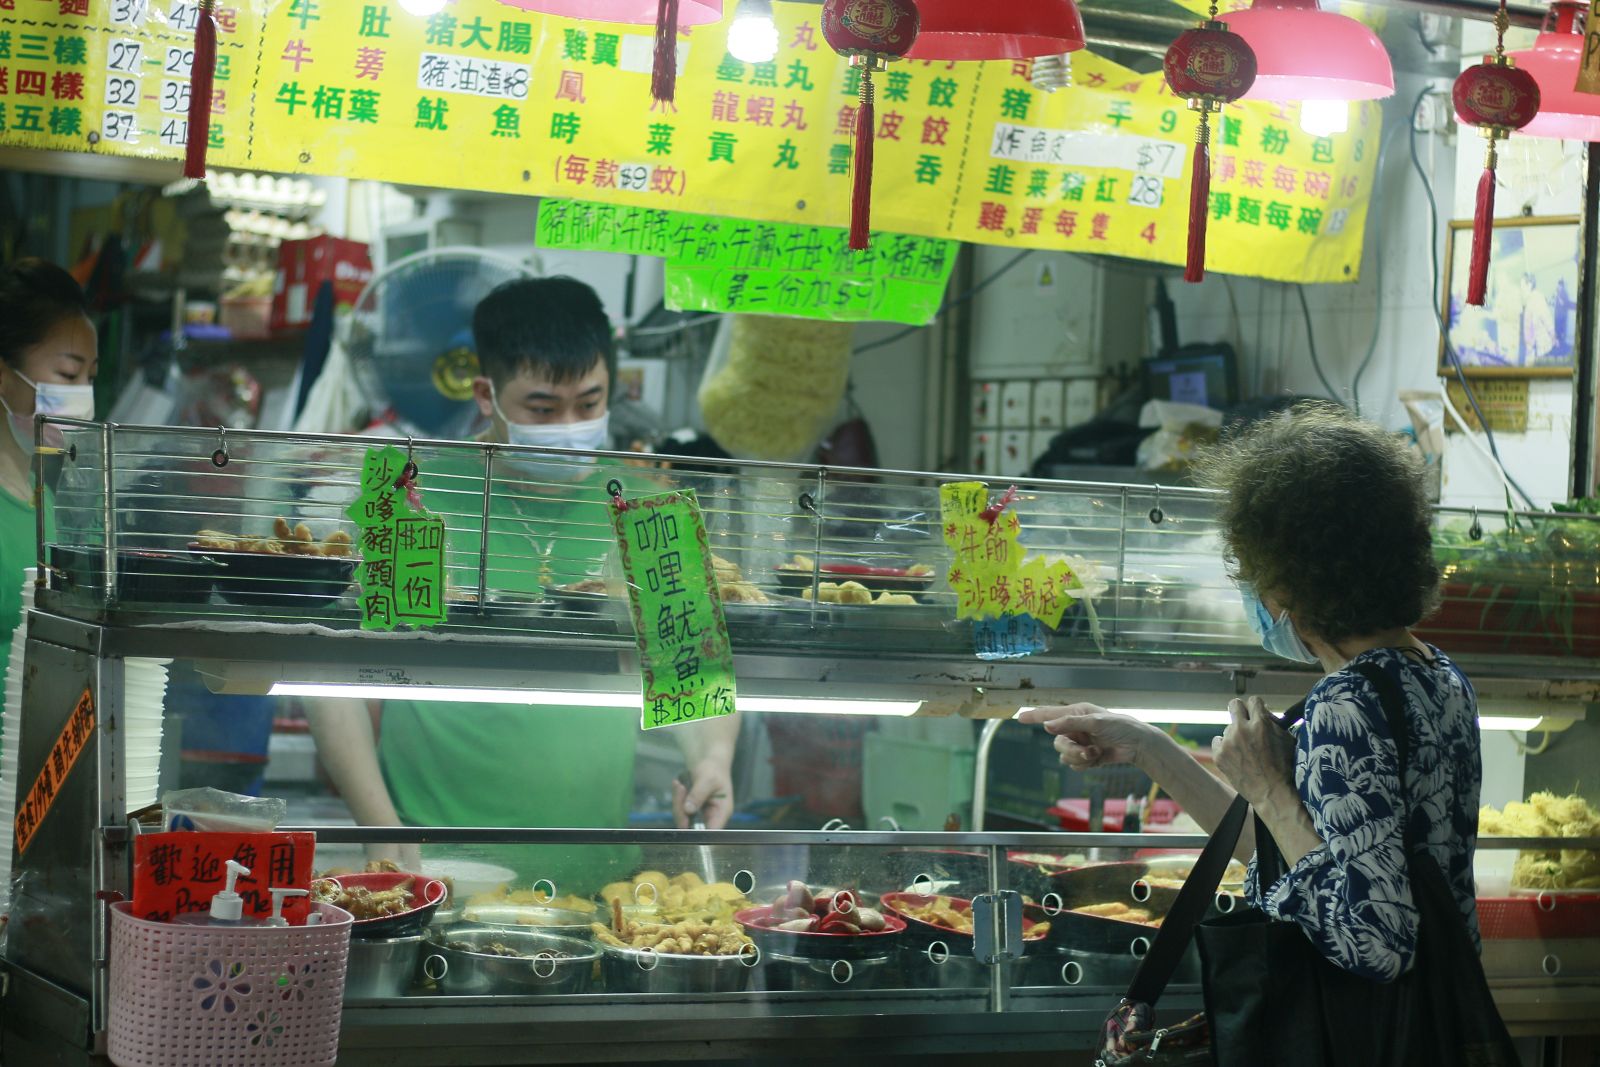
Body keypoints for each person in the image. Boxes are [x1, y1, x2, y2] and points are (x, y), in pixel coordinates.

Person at [1022, 404, 1481, 983]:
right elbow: (1287, 855)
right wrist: (1147, 748)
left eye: (1250, 570)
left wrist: (1268, 789)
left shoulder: (1346, 705)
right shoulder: (1438, 676)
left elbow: (1376, 943)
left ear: (1291, 579)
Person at [306, 277, 738, 890]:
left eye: (589, 404)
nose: (569, 426)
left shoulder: (647, 506)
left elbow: (693, 675)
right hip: (436, 868)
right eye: (542, 408)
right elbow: (334, 675)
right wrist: (382, 829)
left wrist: (712, 760)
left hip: (598, 877)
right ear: (487, 395)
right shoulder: (411, 492)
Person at [0, 260, 96, 717]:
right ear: (3, 375)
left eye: (90, 378)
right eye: (68, 374)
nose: (83, 397)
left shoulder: (49, 498)